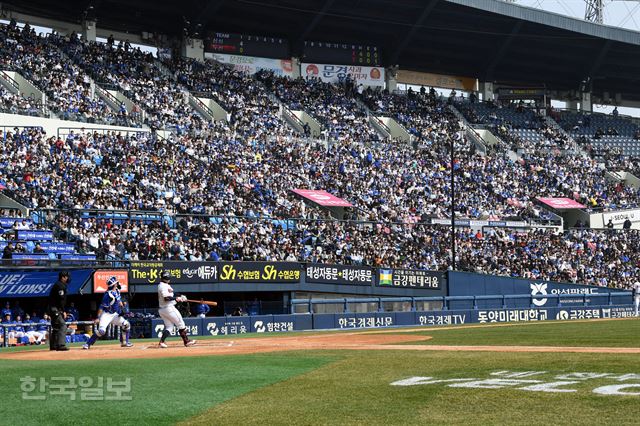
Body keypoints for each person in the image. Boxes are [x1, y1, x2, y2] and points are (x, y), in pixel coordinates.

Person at [83, 276, 132, 349]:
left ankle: (125, 342)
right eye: (116, 282)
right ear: (114, 284)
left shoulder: (117, 291)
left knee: (126, 325)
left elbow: (119, 302)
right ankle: (87, 344)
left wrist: (122, 309)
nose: (117, 283)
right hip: (106, 315)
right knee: (101, 331)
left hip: (115, 315)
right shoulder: (108, 295)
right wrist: (98, 318)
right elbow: (101, 307)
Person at [157, 271, 196, 348]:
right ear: (162, 278)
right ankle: (186, 341)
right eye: (166, 278)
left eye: (167, 278)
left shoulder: (165, 285)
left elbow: (172, 294)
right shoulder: (163, 286)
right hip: (169, 308)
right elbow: (167, 298)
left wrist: (180, 296)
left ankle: (162, 342)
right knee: (181, 324)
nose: (167, 279)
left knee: (169, 327)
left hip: (162, 310)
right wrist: (177, 298)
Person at [48, 271, 71, 351]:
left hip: (53, 308)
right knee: (63, 326)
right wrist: (63, 311)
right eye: (66, 277)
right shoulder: (60, 285)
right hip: (55, 309)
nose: (67, 278)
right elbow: (61, 300)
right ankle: (61, 345)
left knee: (56, 327)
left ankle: (53, 346)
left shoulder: (59, 284)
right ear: (63, 277)